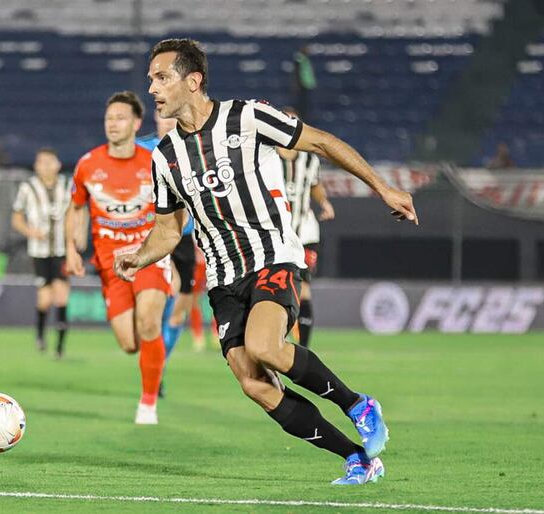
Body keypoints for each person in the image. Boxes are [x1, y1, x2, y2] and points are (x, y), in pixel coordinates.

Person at [115, 38, 418, 484]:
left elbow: (323, 142)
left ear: (193, 81)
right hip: (222, 278)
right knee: (253, 382)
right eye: (151, 80)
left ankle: (358, 404)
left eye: (162, 78)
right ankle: (357, 457)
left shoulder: (247, 116)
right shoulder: (165, 157)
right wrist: (139, 259)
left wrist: (383, 187)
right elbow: (165, 229)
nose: (153, 88)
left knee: (264, 346)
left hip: (272, 255)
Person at [64, 91, 171, 425]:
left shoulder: (153, 162)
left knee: (149, 321)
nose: (113, 124)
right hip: (110, 264)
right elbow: (76, 207)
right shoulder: (88, 164)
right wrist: (71, 247)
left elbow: (175, 208)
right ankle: (151, 356)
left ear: (136, 123)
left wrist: (169, 248)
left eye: (120, 118)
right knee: (129, 343)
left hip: (147, 256)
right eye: (109, 118)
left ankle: (148, 404)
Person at [138, 111, 195, 396]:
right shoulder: (142, 149)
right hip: (157, 234)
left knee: (180, 310)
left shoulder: (194, 146)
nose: (167, 122)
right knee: (165, 295)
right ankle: (153, 363)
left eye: (171, 117)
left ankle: (160, 363)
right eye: (163, 117)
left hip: (185, 237)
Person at [278, 107, 335, 348]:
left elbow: (314, 184)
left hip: (306, 233)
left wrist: (324, 202)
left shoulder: (309, 159)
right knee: (279, 288)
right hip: (278, 236)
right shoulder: (267, 157)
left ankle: (304, 348)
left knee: (304, 289)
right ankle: (277, 338)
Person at [11, 148, 71, 358]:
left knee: (61, 296)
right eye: (41, 162)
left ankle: (60, 347)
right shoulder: (28, 187)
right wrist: (30, 231)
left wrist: (77, 237)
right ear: (36, 166)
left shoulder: (68, 184)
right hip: (39, 252)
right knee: (44, 299)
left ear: (58, 164)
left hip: (63, 250)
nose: (45, 166)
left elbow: (78, 211)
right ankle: (40, 335)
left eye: (49, 161)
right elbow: (16, 218)